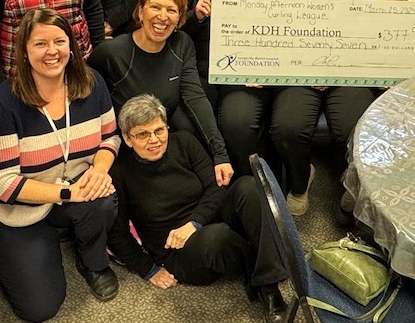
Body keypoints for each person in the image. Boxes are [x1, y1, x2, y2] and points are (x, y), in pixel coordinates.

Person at [0, 9, 121, 320]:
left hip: (72, 188)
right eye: (40, 44)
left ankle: (92, 260)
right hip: (17, 209)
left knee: (103, 200)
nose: (52, 51)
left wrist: (98, 170)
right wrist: (68, 195)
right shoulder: (2, 104)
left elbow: (111, 136)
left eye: (59, 41)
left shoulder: (91, 82)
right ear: (24, 52)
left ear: (71, 46)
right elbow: (2, 184)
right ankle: (28, 249)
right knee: (39, 309)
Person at [107, 95, 289, 323]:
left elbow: (217, 188)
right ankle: (266, 258)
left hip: (203, 218)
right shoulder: (120, 173)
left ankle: (268, 285)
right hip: (178, 251)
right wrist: (149, 270)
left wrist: (194, 223)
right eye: (142, 134)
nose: (154, 140)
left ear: (167, 127)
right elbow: (117, 233)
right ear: (127, 138)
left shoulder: (184, 142)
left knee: (248, 186)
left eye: (159, 131)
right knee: (217, 237)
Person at [273, 0, 375, 216]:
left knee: (358, 128)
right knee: (286, 127)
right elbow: (283, 38)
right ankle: (300, 181)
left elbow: (371, 41)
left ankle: (351, 182)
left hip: (347, 75)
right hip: (303, 74)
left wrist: (356, 16)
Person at [88, 0, 234, 186]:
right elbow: (88, 102)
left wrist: (220, 155)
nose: (162, 17)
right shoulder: (111, 52)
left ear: (180, 19)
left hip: (163, 135)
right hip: (127, 143)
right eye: (155, 7)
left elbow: (195, 97)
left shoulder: (182, 44)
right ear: (140, 12)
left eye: (171, 10)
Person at [180, 0, 271, 171]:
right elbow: (173, 34)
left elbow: (267, 41)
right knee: (191, 124)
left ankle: (246, 178)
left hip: (241, 74)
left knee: (237, 123)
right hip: (200, 70)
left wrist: (259, 69)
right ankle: (205, 180)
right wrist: (194, 15)